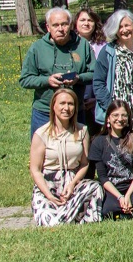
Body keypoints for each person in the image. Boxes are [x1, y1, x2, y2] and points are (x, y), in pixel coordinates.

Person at [29, 88, 103, 226]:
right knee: (49, 219)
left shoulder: (82, 131)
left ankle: (68, 217)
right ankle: (69, 218)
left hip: (72, 183)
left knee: (95, 187)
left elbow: (84, 164)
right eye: (62, 103)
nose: (66, 108)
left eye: (70, 104)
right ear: (53, 106)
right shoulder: (41, 134)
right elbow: (35, 170)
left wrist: (73, 183)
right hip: (48, 184)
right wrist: (48, 195)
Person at [20, 7, 95, 135]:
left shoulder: (82, 45)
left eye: (64, 24)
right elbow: (25, 79)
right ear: (48, 27)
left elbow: (95, 74)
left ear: (70, 25)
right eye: (55, 25)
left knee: (76, 146)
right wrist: (47, 80)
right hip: (45, 112)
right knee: (42, 147)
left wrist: (79, 78)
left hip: (74, 111)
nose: (60, 29)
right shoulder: (37, 48)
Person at [88, 101, 133, 219]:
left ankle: (127, 210)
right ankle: (127, 211)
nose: (120, 119)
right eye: (115, 115)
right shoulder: (98, 142)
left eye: (124, 115)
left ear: (128, 118)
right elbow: (102, 176)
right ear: (108, 118)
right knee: (107, 209)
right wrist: (120, 197)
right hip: (112, 188)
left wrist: (127, 195)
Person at [93, 10, 133, 132]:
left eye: (127, 25)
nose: (124, 30)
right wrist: (111, 107)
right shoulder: (108, 51)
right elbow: (98, 83)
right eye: (120, 27)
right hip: (117, 113)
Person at [71, 7, 106, 130]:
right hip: (74, 96)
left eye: (90, 20)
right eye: (82, 20)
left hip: (97, 97)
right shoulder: (69, 45)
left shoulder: (104, 46)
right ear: (76, 23)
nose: (86, 23)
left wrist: (97, 100)